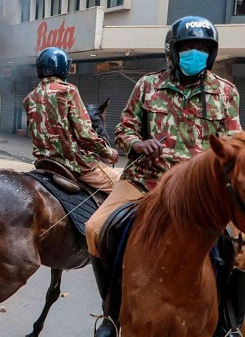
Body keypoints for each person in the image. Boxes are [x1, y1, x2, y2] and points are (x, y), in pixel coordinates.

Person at [85, 16, 242, 337]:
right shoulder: (147, 86)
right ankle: (112, 312)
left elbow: (234, 140)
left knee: (244, 251)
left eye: (201, 48)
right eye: (187, 47)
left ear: (211, 54)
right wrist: (137, 143)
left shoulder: (224, 92)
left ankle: (228, 320)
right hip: (146, 181)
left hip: (203, 194)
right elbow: (123, 129)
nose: (194, 53)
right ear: (173, 51)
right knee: (94, 228)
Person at [24, 47, 120, 193]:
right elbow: (85, 134)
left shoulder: (29, 98)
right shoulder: (68, 91)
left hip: (44, 163)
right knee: (121, 189)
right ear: (64, 67)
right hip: (75, 164)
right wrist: (108, 152)